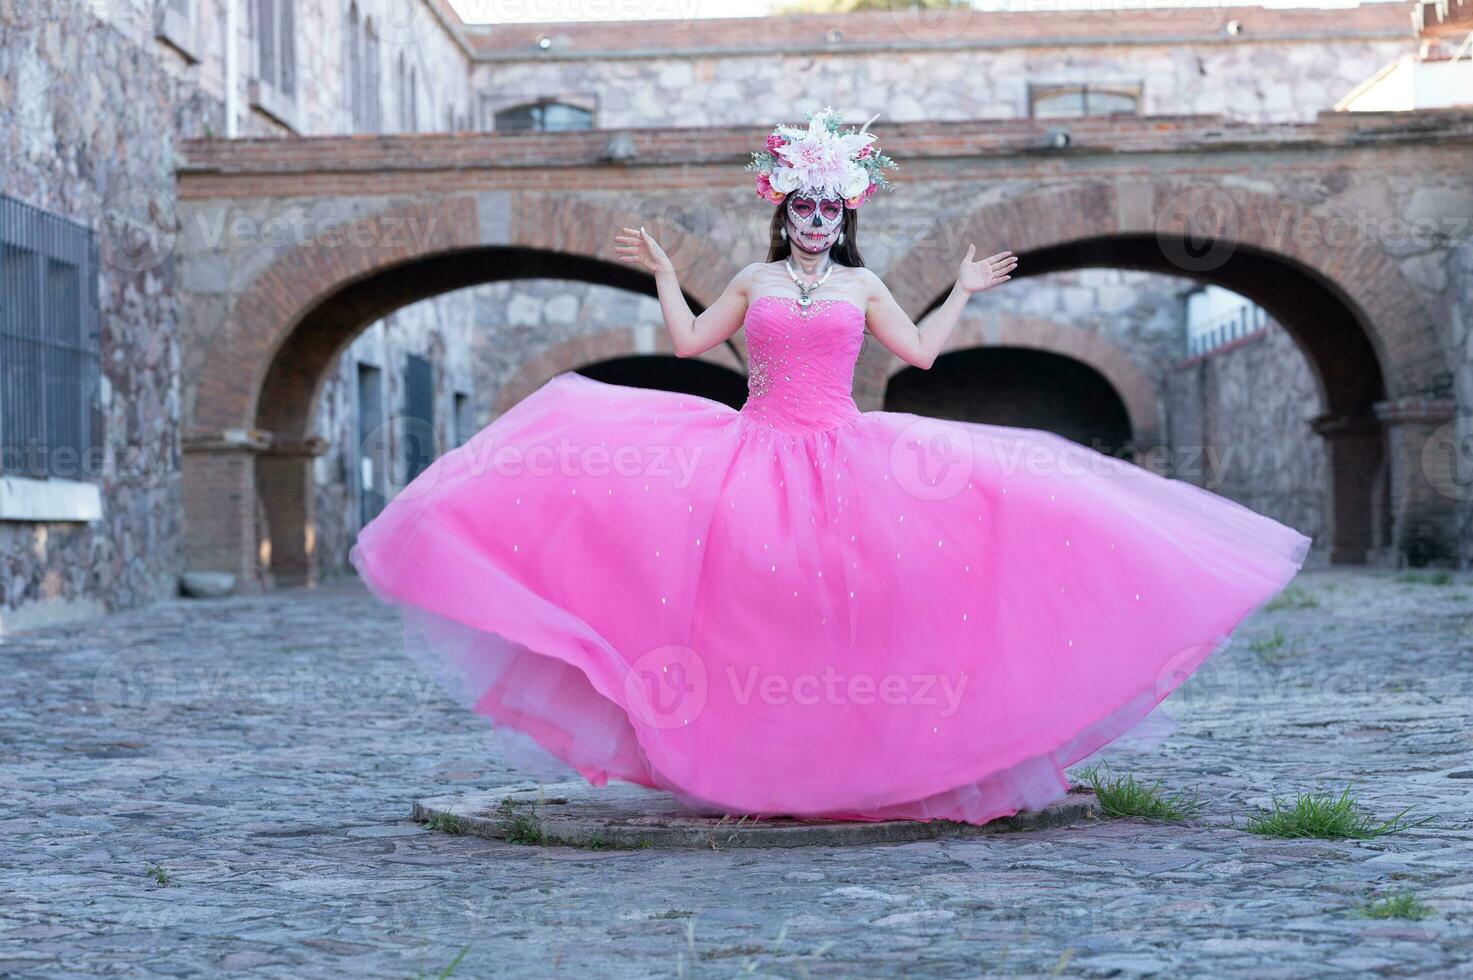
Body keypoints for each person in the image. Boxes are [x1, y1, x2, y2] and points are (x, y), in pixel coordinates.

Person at [350, 108, 1309, 825]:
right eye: (802, 205)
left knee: (886, 592)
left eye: (827, 207)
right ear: (784, 210)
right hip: (751, 453)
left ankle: (894, 761)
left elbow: (921, 356)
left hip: (848, 454)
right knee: (748, 605)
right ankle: (755, 758)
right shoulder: (752, 280)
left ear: (844, 213)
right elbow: (688, 347)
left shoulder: (861, 283)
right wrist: (658, 277)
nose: (813, 220)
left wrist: (965, 292)